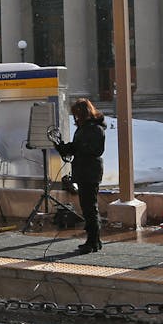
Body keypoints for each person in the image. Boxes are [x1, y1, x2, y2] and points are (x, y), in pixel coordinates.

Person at [54, 98, 107, 254]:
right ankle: (93, 241)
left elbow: (96, 150)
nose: (75, 118)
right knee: (87, 207)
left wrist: (76, 148)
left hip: (90, 171)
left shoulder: (95, 129)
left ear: (84, 113)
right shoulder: (84, 128)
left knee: (90, 208)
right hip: (84, 171)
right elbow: (77, 147)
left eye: (77, 114)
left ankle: (93, 241)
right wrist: (61, 147)